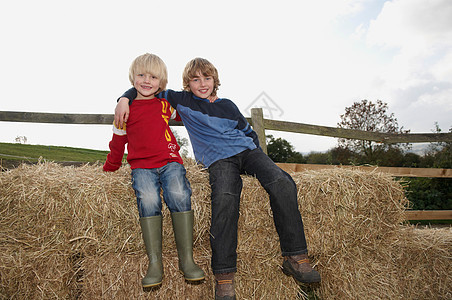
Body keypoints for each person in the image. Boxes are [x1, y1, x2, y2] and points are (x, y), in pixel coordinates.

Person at [115, 57, 320, 299]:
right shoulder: (181, 100)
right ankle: (224, 276)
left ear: (215, 81)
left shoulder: (228, 105)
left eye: (207, 78)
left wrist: (259, 161)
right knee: (225, 198)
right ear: (187, 84)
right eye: (195, 79)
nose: (202, 84)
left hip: (247, 152)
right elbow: (148, 86)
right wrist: (123, 99)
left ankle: (296, 256)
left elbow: (248, 132)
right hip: (218, 160)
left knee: (282, 181)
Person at [103, 53, 205, 288]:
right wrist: (111, 166)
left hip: (170, 161)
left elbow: (188, 109)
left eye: (153, 76)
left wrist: (208, 99)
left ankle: (186, 260)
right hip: (142, 166)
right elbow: (118, 141)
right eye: (141, 75)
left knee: (179, 194)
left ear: (162, 82)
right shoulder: (124, 110)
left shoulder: (165, 104)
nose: (147, 81)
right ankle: (155, 263)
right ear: (132, 77)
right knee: (148, 199)